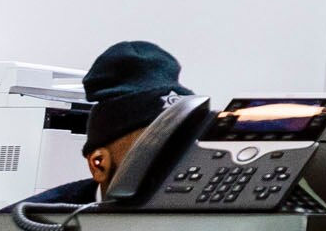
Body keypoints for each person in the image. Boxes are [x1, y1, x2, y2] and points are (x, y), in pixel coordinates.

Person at [15, 41, 194, 214]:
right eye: (156, 152)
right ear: (99, 165)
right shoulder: (26, 223)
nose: (177, 166)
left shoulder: (201, 218)